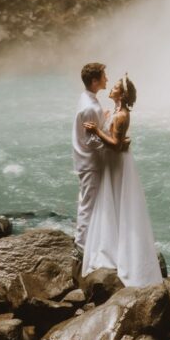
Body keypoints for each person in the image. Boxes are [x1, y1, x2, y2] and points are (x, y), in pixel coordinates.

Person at [82, 73, 162, 287]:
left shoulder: (121, 115)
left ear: (122, 94)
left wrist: (97, 130)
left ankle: (119, 255)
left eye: (116, 86)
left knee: (118, 203)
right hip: (114, 163)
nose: (112, 87)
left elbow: (116, 144)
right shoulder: (117, 112)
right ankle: (113, 250)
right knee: (113, 203)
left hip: (117, 164)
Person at [72, 61, 108, 253]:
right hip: (90, 161)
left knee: (85, 198)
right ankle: (81, 247)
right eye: (104, 76)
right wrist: (113, 145)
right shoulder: (89, 107)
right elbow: (92, 141)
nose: (107, 79)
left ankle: (85, 239)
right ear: (95, 81)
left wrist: (103, 121)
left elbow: (94, 128)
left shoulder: (87, 97)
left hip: (83, 159)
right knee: (88, 204)